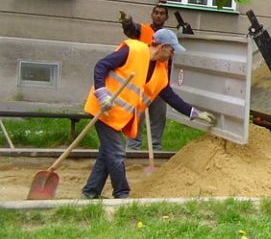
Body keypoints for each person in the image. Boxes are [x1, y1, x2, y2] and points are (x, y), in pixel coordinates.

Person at [81, 29, 215, 199]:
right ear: (163, 47)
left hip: (118, 117)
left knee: (107, 154)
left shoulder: (160, 72)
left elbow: (170, 96)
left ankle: (90, 192)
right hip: (103, 108)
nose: (173, 54)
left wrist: (194, 113)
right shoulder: (134, 50)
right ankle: (122, 194)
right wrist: (102, 94)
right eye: (172, 50)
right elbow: (101, 66)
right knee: (116, 153)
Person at [119, 2, 170, 151]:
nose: (158, 15)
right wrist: (127, 22)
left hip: (159, 83)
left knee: (158, 118)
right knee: (137, 117)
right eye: (156, 12)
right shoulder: (142, 30)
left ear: (166, 17)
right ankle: (133, 148)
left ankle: (155, 147)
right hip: (141, 81)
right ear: (152, 15)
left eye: (162, 13)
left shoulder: (168, 36)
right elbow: (131, 30)